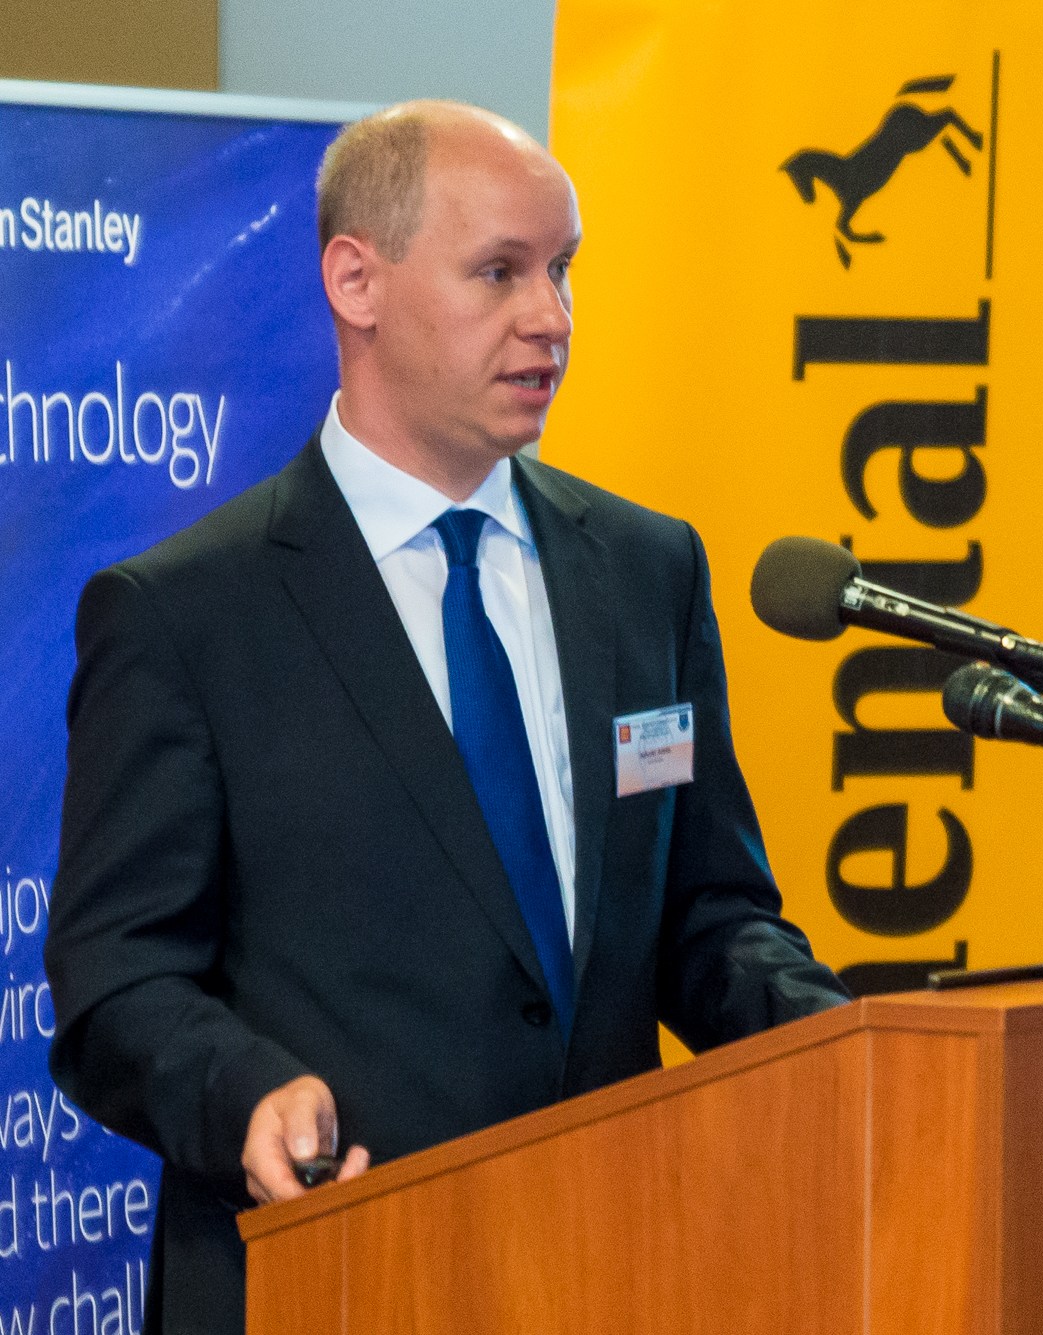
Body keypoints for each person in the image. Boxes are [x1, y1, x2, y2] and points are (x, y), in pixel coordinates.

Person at [44, 100, 849, 1334]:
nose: (552, 318)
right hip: (335, 1277)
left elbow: (707, 915)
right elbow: (118, 983)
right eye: (499, 272)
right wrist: (246, 1093)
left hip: (614, 1269)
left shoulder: (648, 571)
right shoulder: (186, 614)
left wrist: (849, 1039)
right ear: (355, 282)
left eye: (562, 269)